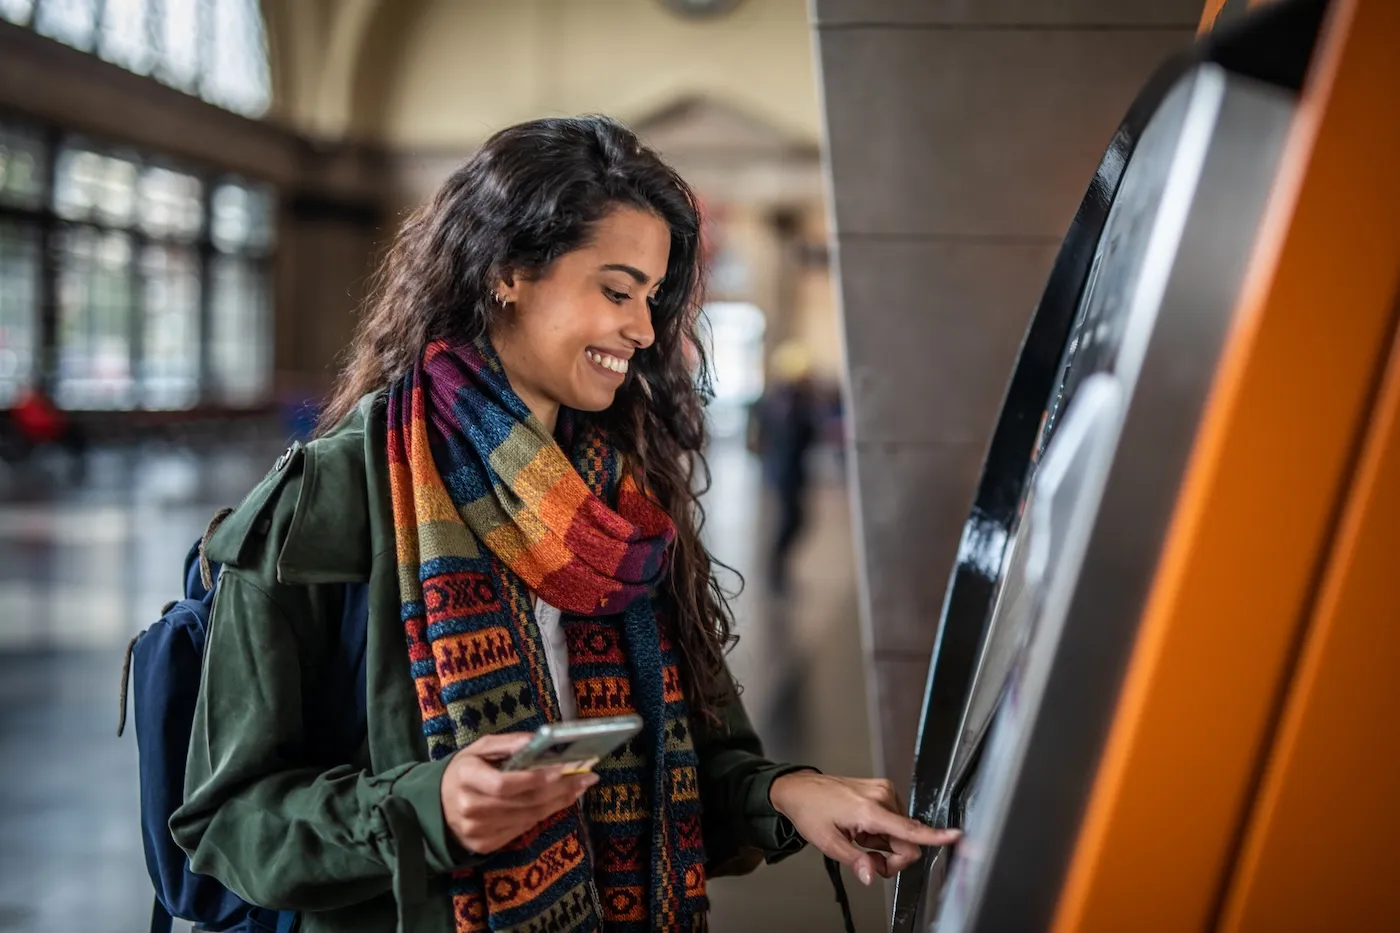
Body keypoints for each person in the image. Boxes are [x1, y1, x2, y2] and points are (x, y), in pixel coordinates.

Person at [171, 116, 956, 932]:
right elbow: (227, 820)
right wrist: (427, 805)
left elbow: (688, 764)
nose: (645, 330)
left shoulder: (623, 502)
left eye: (651, 298)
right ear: (508, 272)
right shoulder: (334, 492)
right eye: (616, 291)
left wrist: (787, 794)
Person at [756, 342, 821, 592]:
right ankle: (776, 572)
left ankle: (778, 571)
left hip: (789, 469)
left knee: (795, 520)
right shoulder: (791, 399)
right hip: (787, 470)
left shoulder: (787, 398)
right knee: (792, 520)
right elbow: (795, 434)